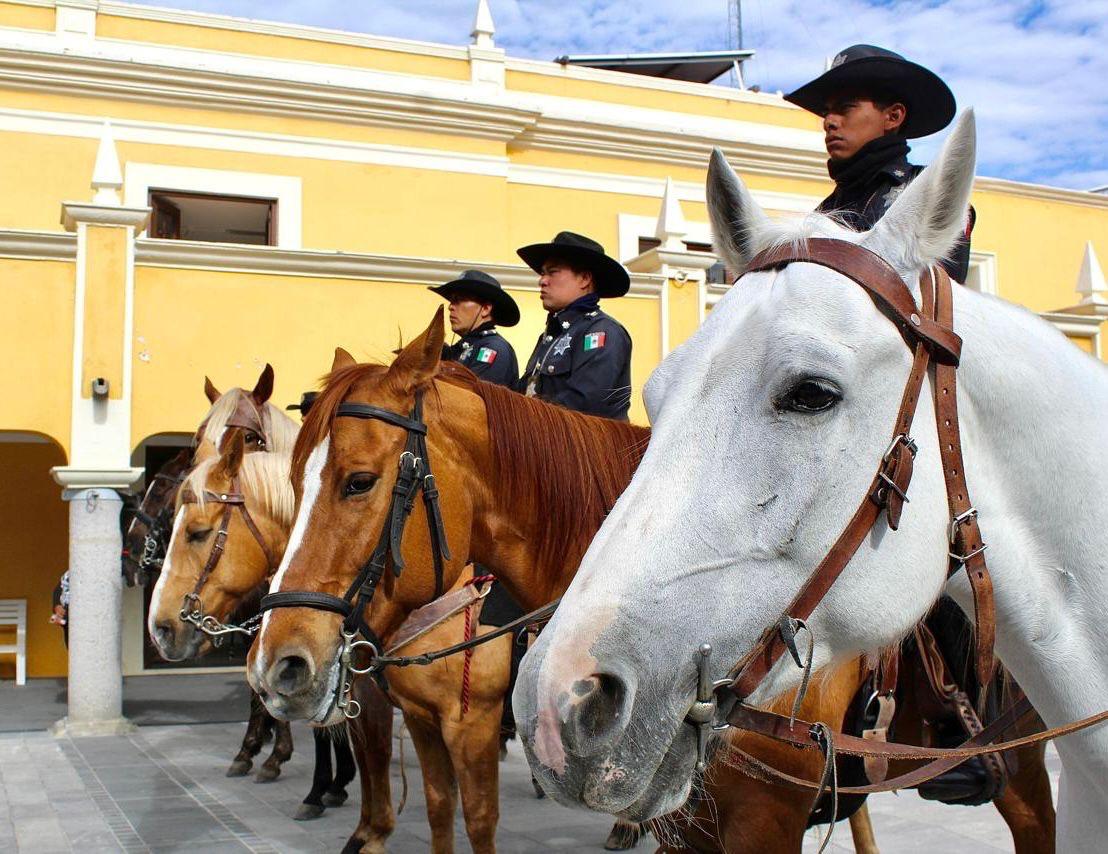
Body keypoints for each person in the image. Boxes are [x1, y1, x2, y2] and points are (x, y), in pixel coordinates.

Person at [785, 44, 974, 283]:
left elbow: (934, 303)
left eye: (845, 108)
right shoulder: (820, 215)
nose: (829, 122)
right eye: (827, 113)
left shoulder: (933, 194)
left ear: (893, 117)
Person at [516, 232, 633, 421]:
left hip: (591, 448)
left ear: (584, 279)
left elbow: (584, 404)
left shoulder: (601, 331)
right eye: (542, 273)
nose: (542, 280)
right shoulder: (553, 334)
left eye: (552, 272)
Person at [428, 270, 519, 388]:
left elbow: (471, 399)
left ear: (485, 309)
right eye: (451, 301)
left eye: (460, 300)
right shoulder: (462, 348)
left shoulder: (493, 348)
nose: (450, 307)